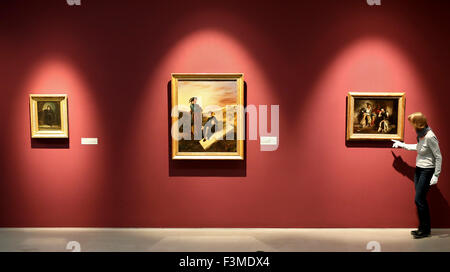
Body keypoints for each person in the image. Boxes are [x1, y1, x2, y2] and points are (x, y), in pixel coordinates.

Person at [392, 112, 442, 239]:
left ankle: (425, 230)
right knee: (421, 200)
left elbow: (438, 156)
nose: (411, 126)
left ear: (418, 124)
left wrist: (436, 175)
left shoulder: (430, 136)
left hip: (427, 171)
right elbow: (419, 148)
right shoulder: (421, 135)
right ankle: (423, 228)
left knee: (419, 199)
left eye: (412, 124)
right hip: (419, 170)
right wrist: (402, 145)